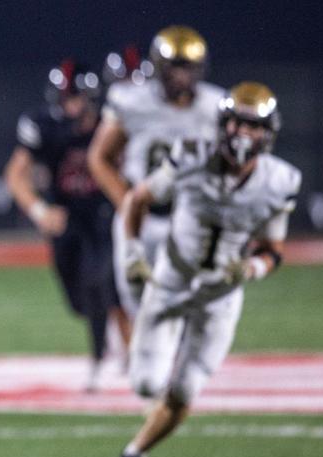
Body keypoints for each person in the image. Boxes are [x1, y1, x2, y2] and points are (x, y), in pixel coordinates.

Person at [115, 82, 300, 457]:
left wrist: (251, 270)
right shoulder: (190, 155)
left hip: (222, 293)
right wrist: (132, 252)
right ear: (222, 124)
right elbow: (138, 198)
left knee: (185, 389)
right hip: (172, 279)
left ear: (268, 132)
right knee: (147, 382)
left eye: (253, 127)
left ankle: (134, 452)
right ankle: (143, 423)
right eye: (237, 124)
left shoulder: (280, 180)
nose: (243, 135)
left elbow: (273, 249)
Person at [88, 25, 224, 324]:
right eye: (176, 66)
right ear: (160, 66)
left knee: (195, 304)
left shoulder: (215, 106)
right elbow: (99, 157)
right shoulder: (133, 101)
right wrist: (127, 202)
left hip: (191, 216)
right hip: (143, 215)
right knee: (138, 304)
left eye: (189, 67)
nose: (182, 75)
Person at [4, 61, 121, 391]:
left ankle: (100, 361)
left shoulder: (110, 125)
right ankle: (108, 336)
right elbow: (15, 175)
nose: (68, 105)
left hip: (102, 215)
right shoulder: (46, 126)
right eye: (64, 98)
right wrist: (40, 211)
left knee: (98, 282)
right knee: (79, 300)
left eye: (74, 97)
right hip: (65, 218)